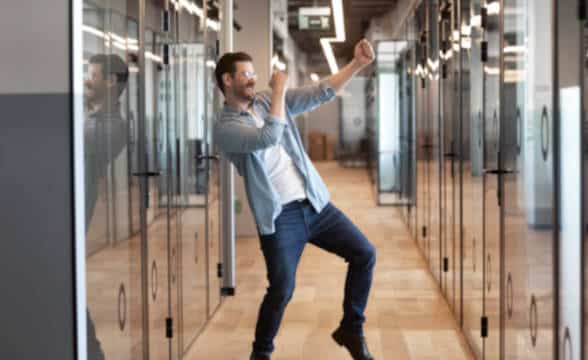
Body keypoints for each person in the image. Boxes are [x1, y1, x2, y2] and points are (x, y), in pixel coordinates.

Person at [213, 39, 377, 360]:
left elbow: (320, 92)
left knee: (364, 254)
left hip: (314, 204)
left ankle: (351, 328)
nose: (252, 78)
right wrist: (278, 93)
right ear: (227, 80)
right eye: (244, 74)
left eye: (253, 73)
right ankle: (261, 353)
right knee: (282, 290)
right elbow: (268, 137)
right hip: (279, 217)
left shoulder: (264, 103)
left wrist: (356, 64)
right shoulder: (224, 126)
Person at [84, 53, 129, 360]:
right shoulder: (93, 116)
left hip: (80, 204)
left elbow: (85, 150)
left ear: (111, 81)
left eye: (94, 75)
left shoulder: (113, 125)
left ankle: (92, 350)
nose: (88, 80)